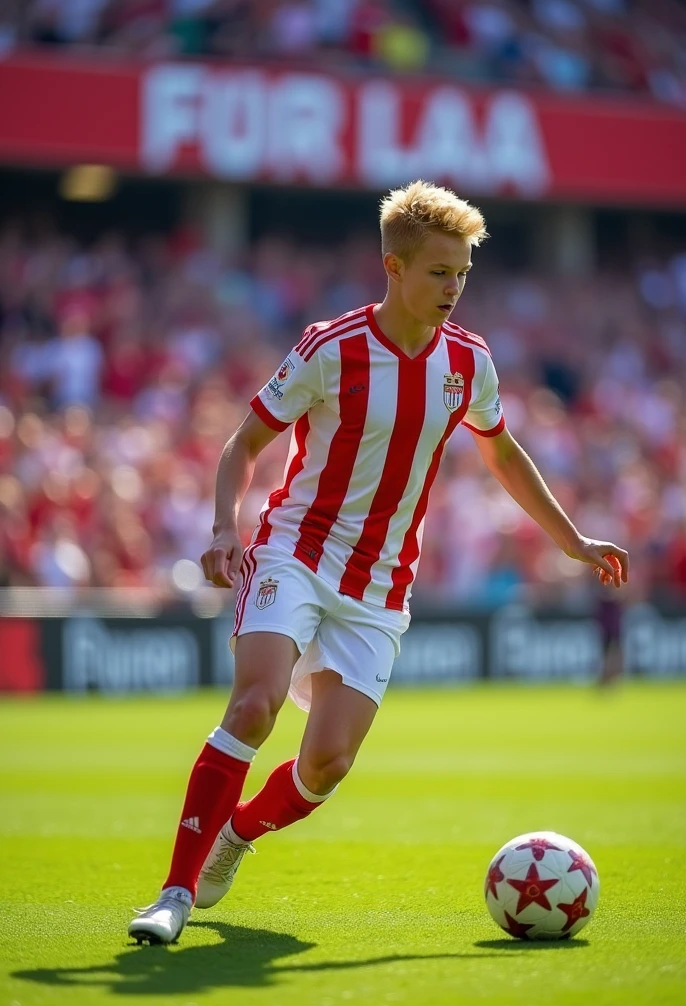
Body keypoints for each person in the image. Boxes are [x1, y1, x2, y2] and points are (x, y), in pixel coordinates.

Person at [128, 180, 629, 944]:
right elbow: (243, 445)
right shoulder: (331, 347)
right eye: (438, 272)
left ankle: (237, 834)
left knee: (325, 763)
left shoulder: (470, 361)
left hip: (381, 584)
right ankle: (175, 892)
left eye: (462, 273)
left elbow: (501, 451)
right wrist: (225, 530)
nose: (453, 288)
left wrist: (571, 539)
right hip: (295, 551)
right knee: (254, 705)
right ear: (393, 267)